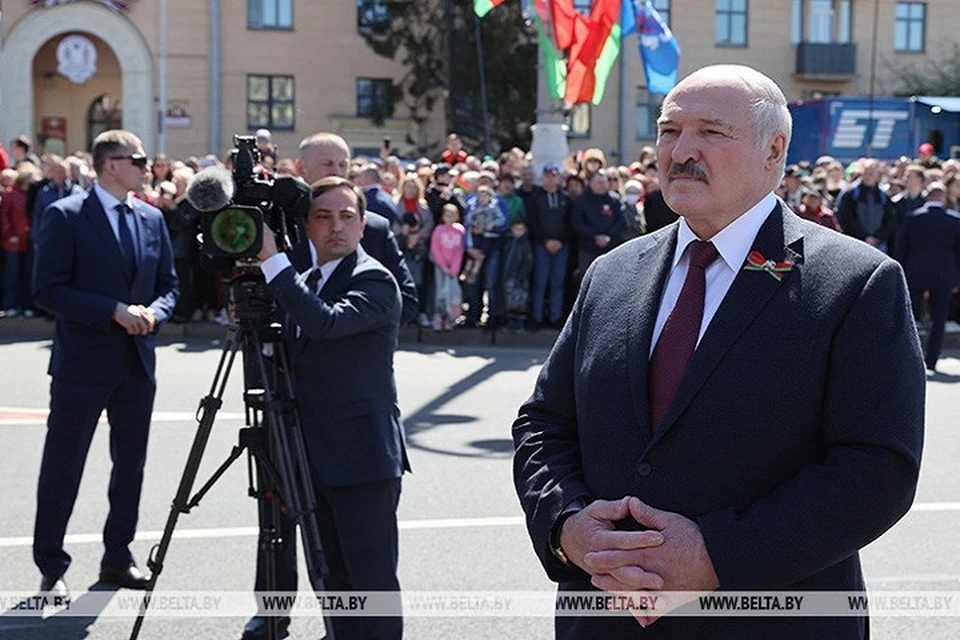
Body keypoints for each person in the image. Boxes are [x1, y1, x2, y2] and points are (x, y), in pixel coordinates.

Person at [513, 64, 925, 639]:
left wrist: (717, 554)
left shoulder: (855, 282)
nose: (682, 151)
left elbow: (876, 470)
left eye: (711, 132)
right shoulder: (611, 275)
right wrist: (566, 526)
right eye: (669, 130)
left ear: (773, 149)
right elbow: (545, 424)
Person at [241, 132, 417, 640]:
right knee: (333, 581)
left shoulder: (374, 280)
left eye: (347, 217)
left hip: (362, 457)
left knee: (370, 582)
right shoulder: (303, 278)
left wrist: (271, 258)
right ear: (307, 225)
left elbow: (323, 324)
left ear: (363, 225)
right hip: (308, 452)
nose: (335, 226)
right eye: (323, 216)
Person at [31, 129, 179, 600]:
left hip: (136, 362)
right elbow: (47, 289)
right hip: (82, 363)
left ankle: (119, 555)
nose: (146, 165)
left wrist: (157, 312)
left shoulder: (151, 218)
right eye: (137, 158)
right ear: (110, 164)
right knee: (64, 465)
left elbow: (170, 285)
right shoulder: (65, 215)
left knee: (130, 465)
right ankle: (51, 563)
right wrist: (111, 310)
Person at [895, 182, 960, 372]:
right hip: (945, 275)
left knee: (911, 319)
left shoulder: (912, 218)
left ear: (926, 196)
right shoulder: (954, 220)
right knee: (938, 320)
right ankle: (931, 360)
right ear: (942, 197)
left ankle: (910, 357)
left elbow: (901, 249)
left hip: (915, 273)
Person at [528, 164, 573, 329]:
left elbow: (570, 223)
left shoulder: (566, 198)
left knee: (558, 282)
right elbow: (533, 222)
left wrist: (560, 240)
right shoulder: (535, 198)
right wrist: (545, 241)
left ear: (559, 178)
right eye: (547, 175)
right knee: (540, 281)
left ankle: (556, 317)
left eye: (553, 175)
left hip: (561, 246)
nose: (550, 179)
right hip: (541, 246)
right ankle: (537, 317)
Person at [835, 158, 897, 251]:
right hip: (855, 243)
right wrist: (863, 237)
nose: (867, 176)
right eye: (865, 173)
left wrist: (877, 237)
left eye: (871, 173)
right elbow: (846, 218)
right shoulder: (850, 194)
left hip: (878, 245)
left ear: (877, 175)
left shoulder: (884, 196)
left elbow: (889, 220)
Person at [571, 171, 625, 275]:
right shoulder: (581, 200)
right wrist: (595, 236)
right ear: (590, 183)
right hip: (588, 248)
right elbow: (577, 223)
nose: (603, 185)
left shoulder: (614, 200)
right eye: (599, 182)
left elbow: (621, 221)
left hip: (610, 248)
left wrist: (608, 236)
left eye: (604, 182)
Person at [430, 203, 466, 330]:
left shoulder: (460, 230)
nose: (450, 218)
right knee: (440, 292)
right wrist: (443, 265)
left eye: (453, 216)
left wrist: (454, 268)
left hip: (453, 268)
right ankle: (439, 316)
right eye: (447, 215)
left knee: (453, 293)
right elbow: (435, 248)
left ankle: (451, 318)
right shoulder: (439, 229)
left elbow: (460, 250)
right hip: (441, 266)